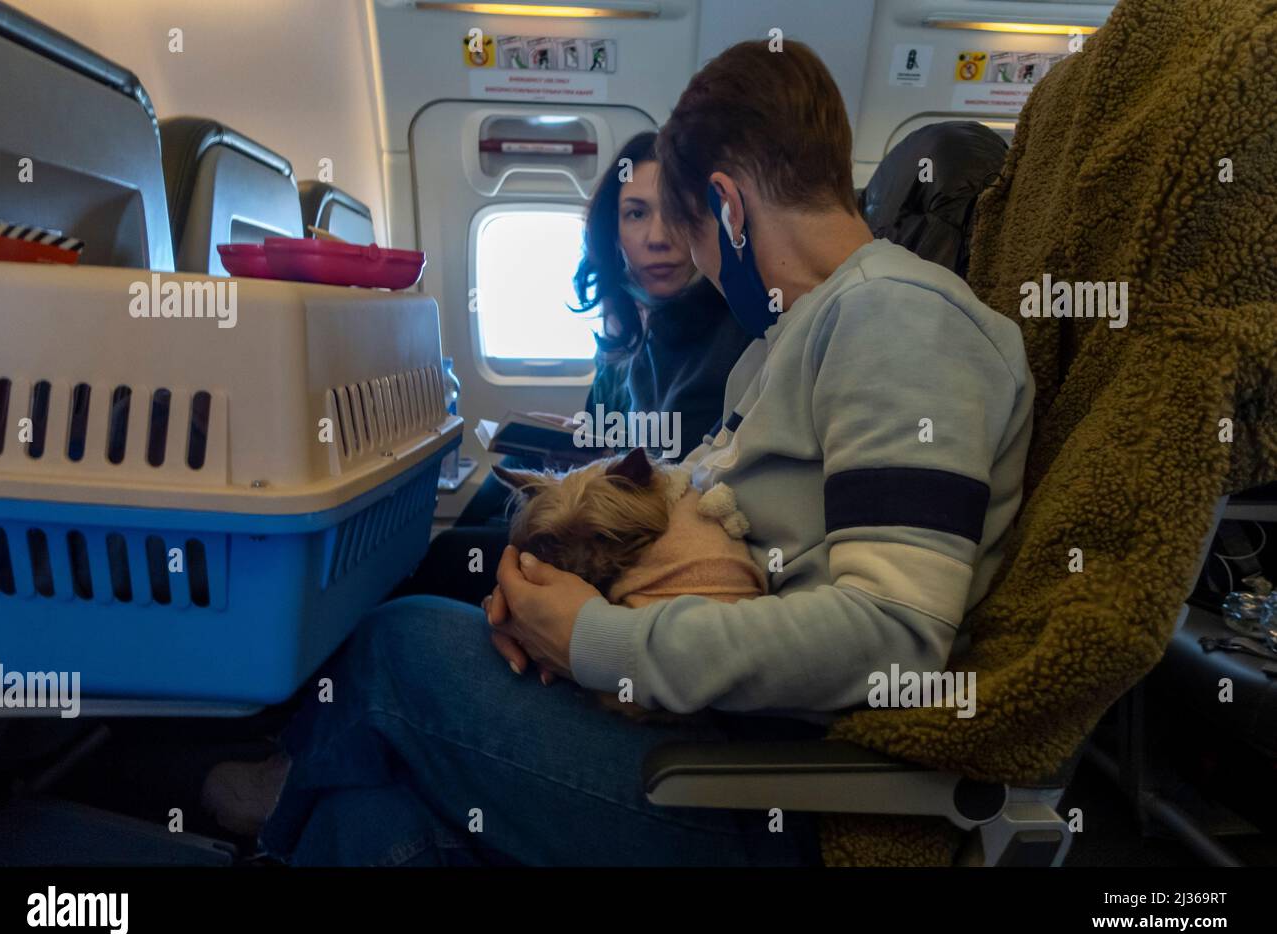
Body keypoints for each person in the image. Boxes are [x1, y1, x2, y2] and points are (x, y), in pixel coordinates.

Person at [209, 40, 1034, 867]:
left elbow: (893, 637)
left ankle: (264, 798)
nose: (699, 264)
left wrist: (596, 641)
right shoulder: (787, 342)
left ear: (729, 207)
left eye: (693, 234)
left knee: (399, 643)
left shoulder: (901, 321)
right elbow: (687, 498)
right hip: (712, 734)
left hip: (774, 791)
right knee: (368, 831)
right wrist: (541, 589)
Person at [399, 131, 748, 603]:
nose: (658, 238)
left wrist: (606, 451)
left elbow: (680, 468)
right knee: (512, 466)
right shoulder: (630, 328)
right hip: (609, 484)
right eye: (636, 213)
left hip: (635, 525)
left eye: (676, 213)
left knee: (447, 557)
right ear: (613, 230)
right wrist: (581, 435)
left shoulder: (730, 329)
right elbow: (618, 430)